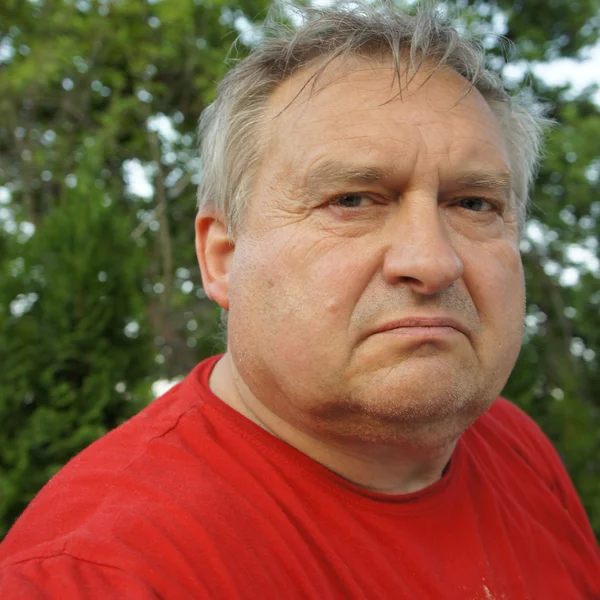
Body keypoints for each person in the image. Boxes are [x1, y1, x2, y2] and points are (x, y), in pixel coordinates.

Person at [1, 3, 599, 598]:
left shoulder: (513, 447)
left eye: (473, 204)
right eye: (353, 200)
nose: (432, 260)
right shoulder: (99, 575)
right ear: (224, 258)